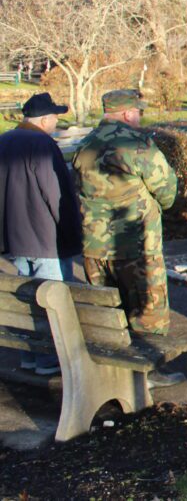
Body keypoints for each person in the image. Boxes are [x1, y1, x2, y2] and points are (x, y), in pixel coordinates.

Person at [73, 89, 182, 388]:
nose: (140, 116)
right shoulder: (137, 145)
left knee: (108, 314)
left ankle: (114, 374)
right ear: (126, 113)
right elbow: (167, 190)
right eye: (138, 111)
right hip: (136, 246)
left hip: (95, 248)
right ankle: (146, 375)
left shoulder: (85, 145)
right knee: (147, 312)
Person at [0, 93, 82, 375]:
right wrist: (72, 233)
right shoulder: (43, 145)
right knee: (54, 303)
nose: (56, 122)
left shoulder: (4, 141)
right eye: (55, 118)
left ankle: (31, 356)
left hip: (14, 238)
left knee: (27, 301)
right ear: (45, 119)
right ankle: (49, 360)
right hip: (46, 240)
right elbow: (56, 195)